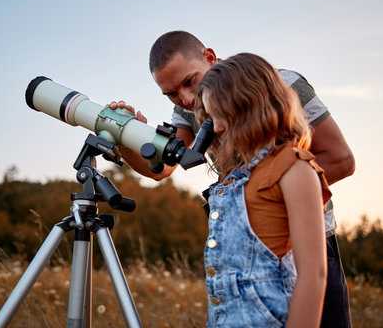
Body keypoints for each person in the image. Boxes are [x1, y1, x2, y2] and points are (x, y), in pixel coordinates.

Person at [109, 31, 354, 327]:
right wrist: (125, 137)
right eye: (172, 94)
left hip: (301, 238)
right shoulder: (187, 110)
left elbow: (340, 159)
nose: (186, 99)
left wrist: (269, 193)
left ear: (209, 57)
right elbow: (161, 167)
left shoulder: (280, 83)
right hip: (238, 249)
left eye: (189, 82)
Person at [196, 52, 328, 327]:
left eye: (220, 114)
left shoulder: (294, 168)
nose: (216, 127)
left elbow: (313, 274)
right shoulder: (231, 180)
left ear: (248, 104)